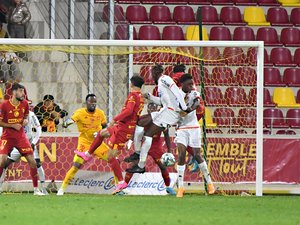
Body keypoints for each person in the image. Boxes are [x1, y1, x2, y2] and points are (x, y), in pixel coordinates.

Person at [75, 75, 145, 194]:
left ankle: (121, 182)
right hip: (123, 127)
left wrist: (115, 119)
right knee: (102, 133)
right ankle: (87, 154)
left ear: (131, 84)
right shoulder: (141, 97)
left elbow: (128, 111)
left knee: (111, 157)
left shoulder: (133, 95)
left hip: (123, 129)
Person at [126, 64, 190, 174]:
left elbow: (177, 92)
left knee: (147, 135)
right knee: (140, 122)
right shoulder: (161, 84)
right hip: (166, 110)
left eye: (152, 75)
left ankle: (140, 165)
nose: (151, 77)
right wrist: (150, 97)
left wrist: (184, 108)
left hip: (170, 112)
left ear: (155, 73)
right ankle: (137, 154)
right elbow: (162, 101)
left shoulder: (165, 79)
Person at [57, 94, 108, 196]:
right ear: (86, 103)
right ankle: (62, 189)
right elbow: (68, 122)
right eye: (91, 103)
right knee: (76, 165)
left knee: (113, 159)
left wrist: (100, 133)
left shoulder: (100, 113)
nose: (93, 105)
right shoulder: (80, 113)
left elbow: (105, 127)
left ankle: (119, 188)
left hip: (97, 143)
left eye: (95, 103)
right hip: (84, 142)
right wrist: (67, 122)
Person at [0, 83, 44, 195]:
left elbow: (25, 116)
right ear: (14, 92)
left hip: (21, 138)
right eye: (20, 91)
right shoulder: (4, 105)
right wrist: (12, 126)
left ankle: (36, 190)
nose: (23, 94)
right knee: (2, 161)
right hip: (7, 137)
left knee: (32, 162)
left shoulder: (24, 104)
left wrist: (25, 121)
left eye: (23, 91)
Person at [175, 73, 214, 197]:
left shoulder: (194, 93)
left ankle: (209, 183)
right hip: (181, 128)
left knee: (197, 155)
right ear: (182, 85)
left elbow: (197, 104)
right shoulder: (177, 95)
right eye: (189, 84)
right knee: (181, 154)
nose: (192, 86)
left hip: (193, 127)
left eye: (192, 84)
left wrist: (187, 111)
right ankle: (181, 187)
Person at [124, 102, 176, 196]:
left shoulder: (162, 120)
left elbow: (166, 135)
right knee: (134, 165)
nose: (152, 111)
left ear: (157, 110)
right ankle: (123, 188)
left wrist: (169, 150)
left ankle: (168, 187)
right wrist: (130, 141)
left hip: (155, 146)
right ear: (147, 110)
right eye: (150, 109)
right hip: (143, 144)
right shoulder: (144, 119)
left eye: (154, 109)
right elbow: (136, 132)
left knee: (162, 165)